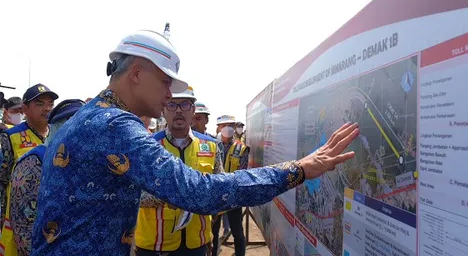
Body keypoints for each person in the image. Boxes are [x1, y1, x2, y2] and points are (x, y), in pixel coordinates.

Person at [31, 30, 359, 255]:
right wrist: (298, 169)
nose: (169, 96)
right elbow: (199, 192)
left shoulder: (90, 116)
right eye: (164, 83)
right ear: (136, 73)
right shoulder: (115, 124)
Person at [134, 86, 224, 256]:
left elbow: (220, 191)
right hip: (154, 245)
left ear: (193, 110)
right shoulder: (145, 146)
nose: (178, 111)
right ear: (163, 110)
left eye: (185, 105)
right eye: (171, 105)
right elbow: (133, 193)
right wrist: (168, 196)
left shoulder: (212, 146)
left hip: (197, 243)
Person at [2, 99, 85, 256]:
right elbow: (24, 228)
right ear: (55, 126)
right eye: (69, 122)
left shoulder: (83, 161)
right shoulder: (35, 161)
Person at [0, 84, 58, 230]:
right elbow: (2, 180)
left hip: (50, 213)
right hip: (20, 218)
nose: (47, 108)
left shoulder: (58, 134)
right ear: (25, 109)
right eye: (40, 104)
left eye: (50, 104)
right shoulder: (11, 136)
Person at [211, 115, 249, 256]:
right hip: (215, 195)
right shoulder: (210, 145)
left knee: (237, 232)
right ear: (218, 128)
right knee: (213, 232)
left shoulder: (241, 148)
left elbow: (242, 173)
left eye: (231, 125)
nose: (228, 128)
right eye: (224, 125)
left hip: (234, 196)